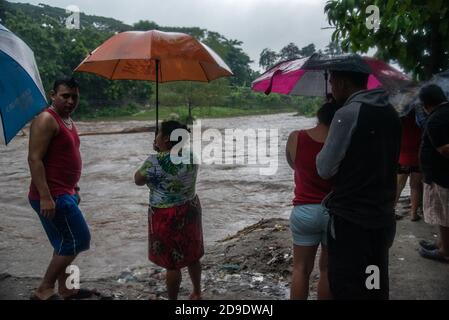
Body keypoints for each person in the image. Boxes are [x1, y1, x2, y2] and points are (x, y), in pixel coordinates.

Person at [316, 70, 401, 299]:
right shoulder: (391, 113)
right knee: (373, 281)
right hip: (382, 216)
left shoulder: (347, 114)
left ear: (343, 83)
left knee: (347, 285)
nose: (331, 87)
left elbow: (324, 168)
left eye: (332, 82)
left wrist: (332, 127)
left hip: (351, 221)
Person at [28, 77, 94, 300]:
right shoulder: (46, 119)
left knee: (64, 242)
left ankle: (66, 289)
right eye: (65, 96)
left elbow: (64, 158)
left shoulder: (67, 119)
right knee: (79, 239)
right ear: (52, 95)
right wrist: (46, 197)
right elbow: (34, 159)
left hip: (66, 193)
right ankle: (44, 289)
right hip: (53, 196)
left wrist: (74, 187)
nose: (70, 101)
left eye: (75, 96)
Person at [134, 121, 203, 300]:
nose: (155, 137)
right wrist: (164, 151)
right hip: (191, 209)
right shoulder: (192, 156)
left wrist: (159, 154)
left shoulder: (154, 161)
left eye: (157, 134)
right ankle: (197, 292)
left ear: (165, 139)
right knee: (193, 254)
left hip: (166, 216)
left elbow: (138, 180)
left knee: (172, 264)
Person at [286, 102, 336, 300]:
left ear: (319, 116)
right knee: (326, 270)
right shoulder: (344, 142)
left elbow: (293, 164)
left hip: (304, 210)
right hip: (334, 212)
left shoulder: (296, 137)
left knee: (300, 269)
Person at [417, 84, 449, 262]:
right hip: (440, 174)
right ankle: (442, 243)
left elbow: (444, 149)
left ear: (426, 103)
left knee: (444, 215)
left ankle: (445, 251)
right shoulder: (443, 113)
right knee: (442, 214)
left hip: (441, 176)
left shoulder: (436, 119)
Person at [395, 110, 423, 221]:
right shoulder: (420, 119)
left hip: (402, 156)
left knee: (398, 186)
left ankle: (391, 210)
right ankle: (413, 214)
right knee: (415, 186)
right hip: (417, 156)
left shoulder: (399, 119)